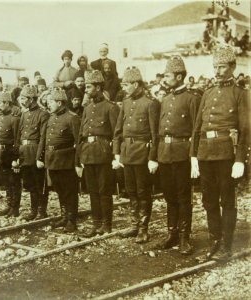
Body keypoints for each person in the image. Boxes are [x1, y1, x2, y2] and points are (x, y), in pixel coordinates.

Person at [191, 46, 249, 261]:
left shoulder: (241, 94)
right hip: (206, 153)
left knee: (227, 200)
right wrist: (194, 156)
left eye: (222, 66)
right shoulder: (207, 93)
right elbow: (197, 128)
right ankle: (214, 240)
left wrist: (240, 159)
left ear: (232, 67)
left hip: (226, 155)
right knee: (209, 201)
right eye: (215, 66)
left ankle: (227, 244)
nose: (217, 70)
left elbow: (245, 129)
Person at [157, 56, 200, 255]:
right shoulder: (165, 99)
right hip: (165, 153)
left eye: (168, 75)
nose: (165, 78)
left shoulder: (192, 98)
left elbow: (195, 131)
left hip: (182, 154)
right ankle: (172, 233)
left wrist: (193, 157)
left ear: (179, 76)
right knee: (169, 195)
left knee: (183, 197)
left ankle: (184, 237)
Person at [113, 66, 160, 243]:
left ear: (135, 83)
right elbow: (118, 130)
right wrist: (116, 153)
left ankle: (143, 228)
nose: (124, 88)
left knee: (143, 191)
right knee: (130, 190)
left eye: (126, 84)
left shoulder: (150, 103)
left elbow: (155, 134)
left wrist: (152, 158)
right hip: (127, 152)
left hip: (142, 153)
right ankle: (134, 225)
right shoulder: (125, 102)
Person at [78, 70, 120, 237]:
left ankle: (107, 224)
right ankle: (96, 224)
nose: (86, 89)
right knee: (93, 191)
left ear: (98, 87)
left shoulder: (111, 107)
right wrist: (80, 155)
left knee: (104, 191)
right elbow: (82, 133)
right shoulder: (87, 108)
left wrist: (114, 155)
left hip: (103, 154)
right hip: (88, 154)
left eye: (89, 86)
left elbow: (117, 133)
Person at [45, 88, 81, 232]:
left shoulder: (72, 118)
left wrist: (78, 162)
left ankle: (72, 220)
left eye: (51, 102)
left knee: (69, 191)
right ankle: (64, 216)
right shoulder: (52, 117)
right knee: (59, 190)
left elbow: (79, 142)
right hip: (53, 160)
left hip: (66, 161)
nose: (49, 105)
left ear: (59, 102)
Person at [14, 85, 50, 220]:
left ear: (31, 99)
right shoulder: (24, 114)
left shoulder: (43, 114)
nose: (22, 101)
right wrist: (17, 155)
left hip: (35, 152)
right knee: (29, 183)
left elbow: (43, 138)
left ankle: (42, 210)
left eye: (24, 98)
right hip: (25, 153)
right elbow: (19, 136)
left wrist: (40, 157)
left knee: (39, 182)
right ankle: (33, 210)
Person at [0, 91, 22, 218]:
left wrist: (16, 158)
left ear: (7, 103)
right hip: (2, 153)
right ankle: (9, 205)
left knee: (14, 181)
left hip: (11, 152)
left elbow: (17, 139)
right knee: (6, 181)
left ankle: (15, 208)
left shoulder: (15, 118)